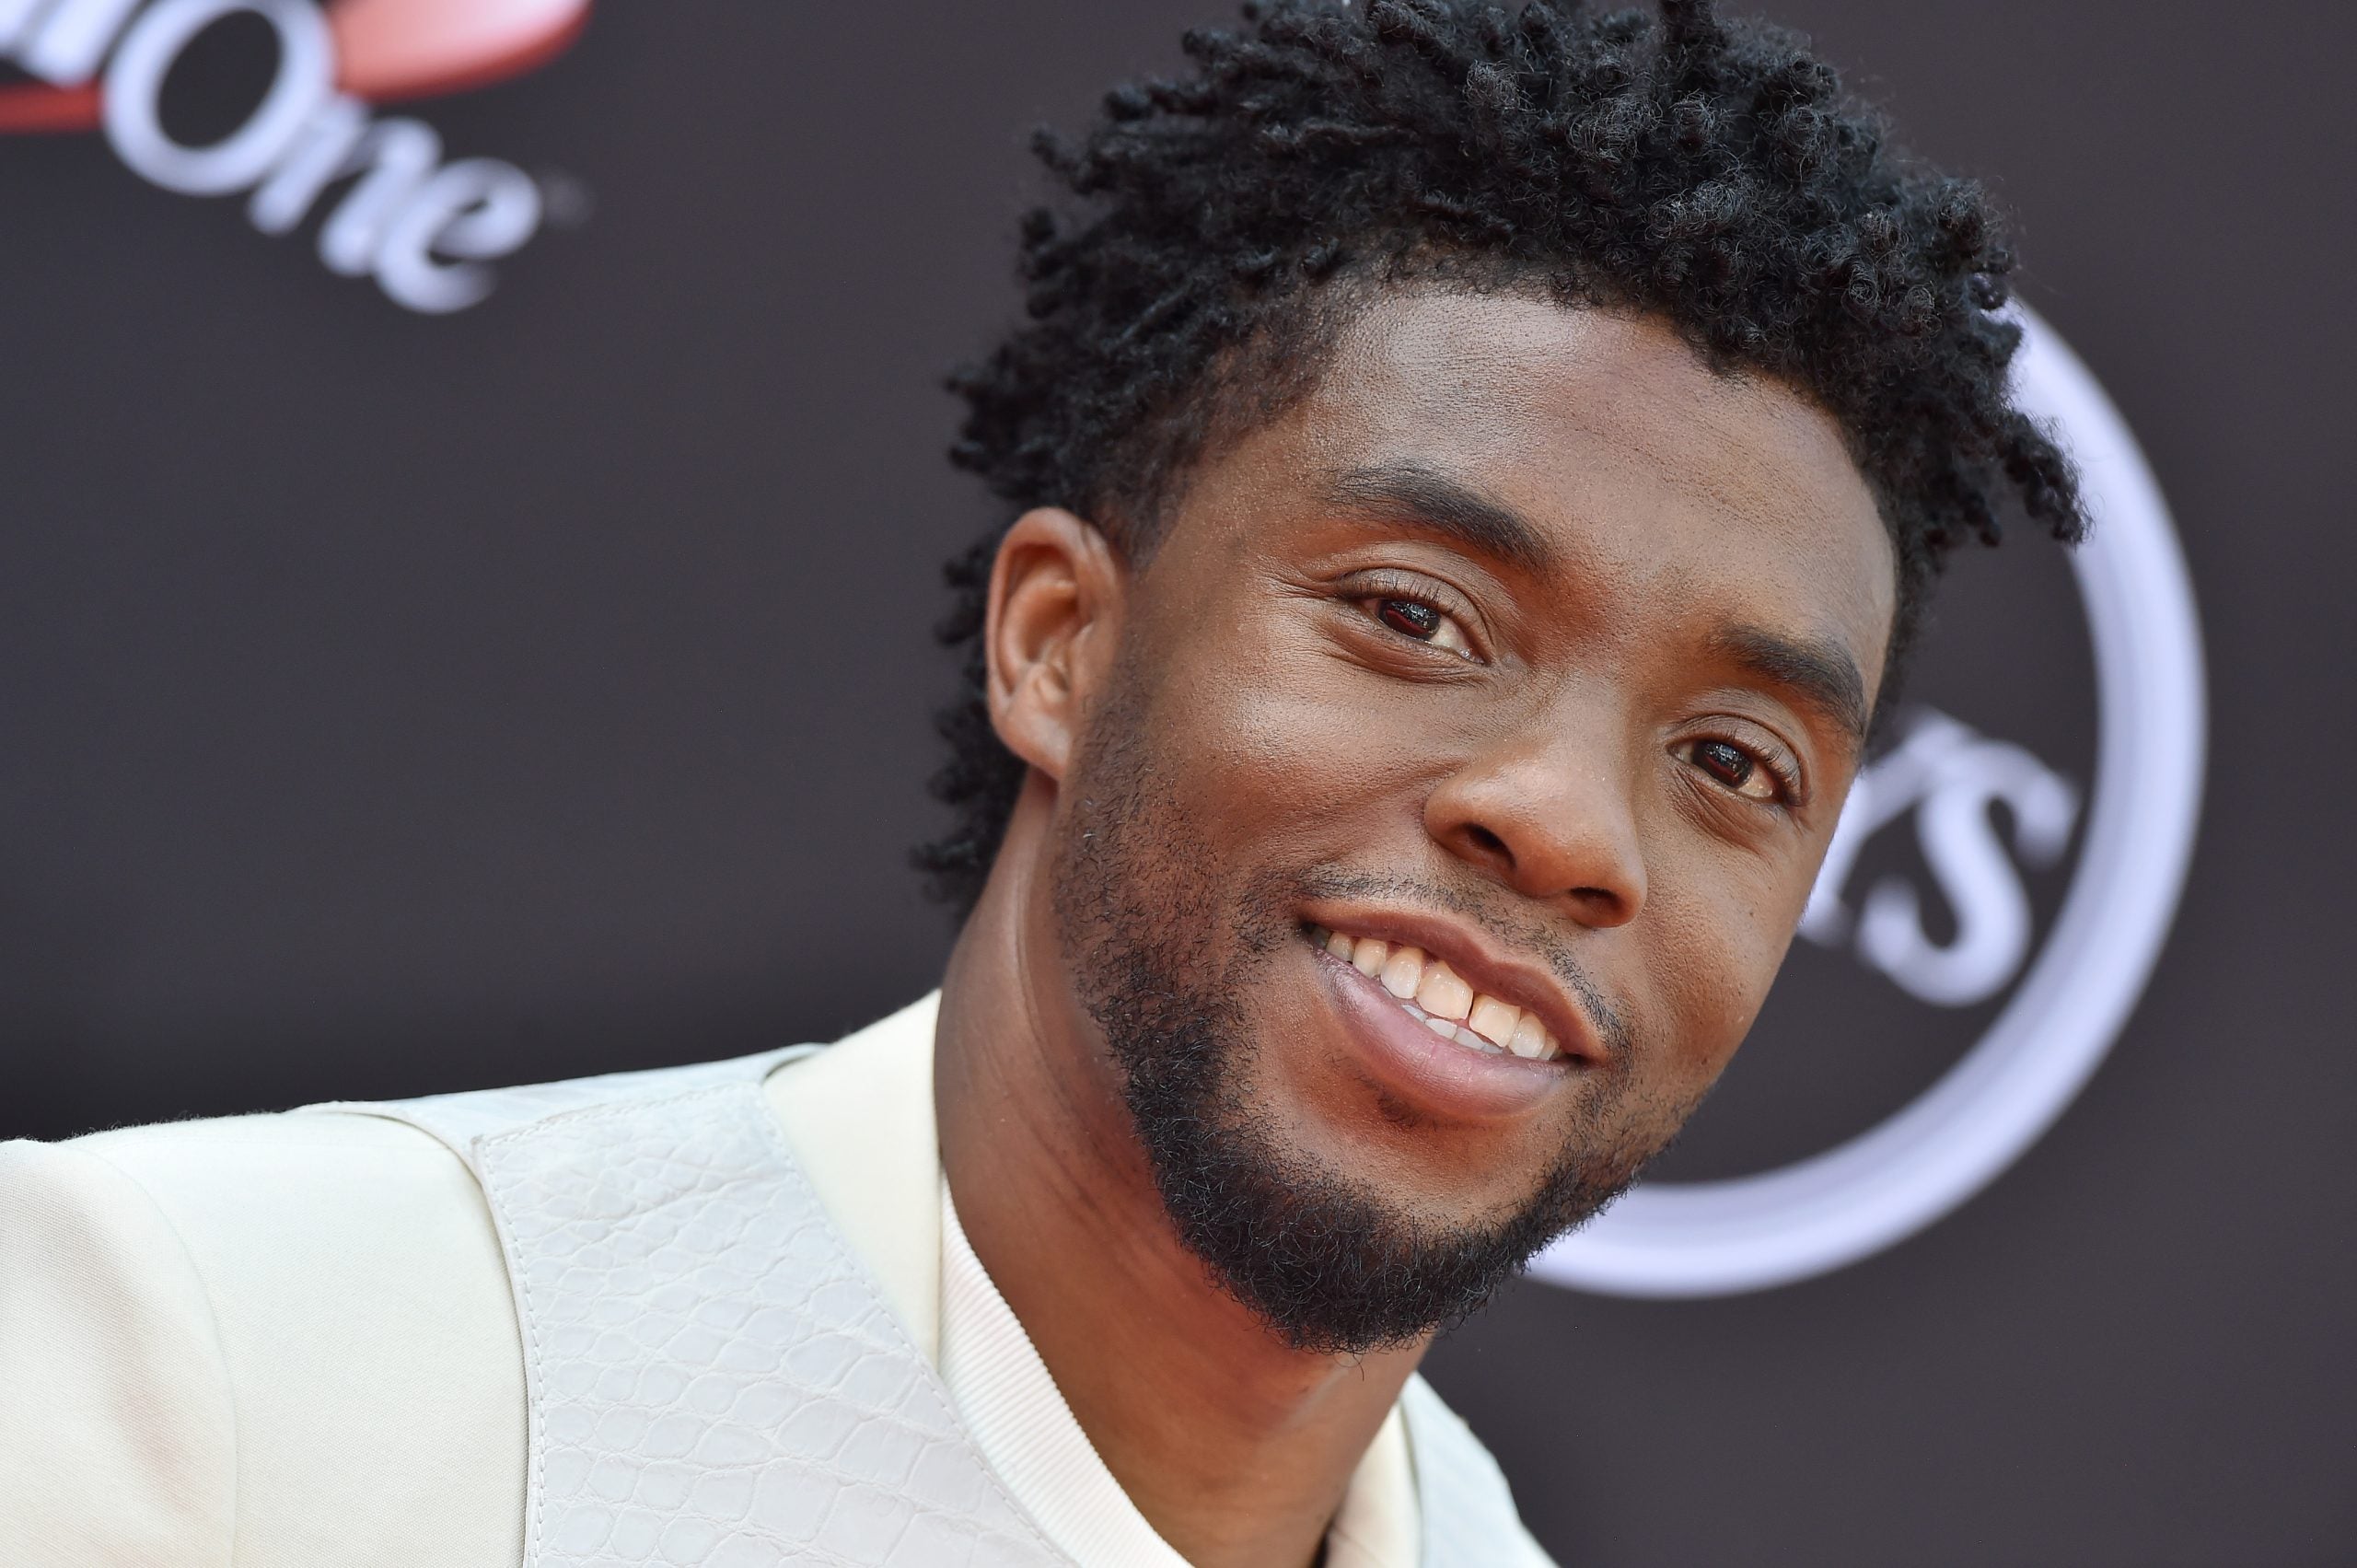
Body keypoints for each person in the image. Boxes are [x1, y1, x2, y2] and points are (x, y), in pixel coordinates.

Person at [0, 2, 2083, 1563]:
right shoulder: (224, 1369)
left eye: (1731, 760)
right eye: (1415, 616)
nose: (1564, 823)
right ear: (1059, 643)